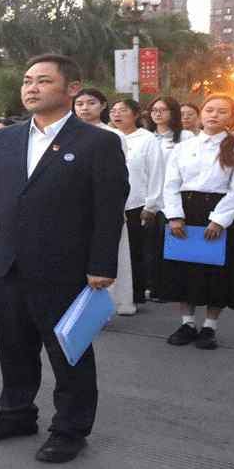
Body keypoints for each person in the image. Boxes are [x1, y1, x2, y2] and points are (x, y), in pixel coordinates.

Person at [0, 54, 129, 463]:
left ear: (72, 88)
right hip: (7, 264)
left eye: (42, 80)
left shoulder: (98, 141)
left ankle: (70, 428)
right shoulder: (4, 139)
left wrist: (102, 265)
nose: (31, 88)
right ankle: (15, 414)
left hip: (65, 268)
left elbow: (109, 209)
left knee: (69, 351)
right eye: (27, 81)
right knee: (13, 347)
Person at [161, 94, 234, 350]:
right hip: (186, 212)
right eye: (209, 110)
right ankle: (187, 323)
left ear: (231, 116)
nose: (214, 115)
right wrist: (174, 216)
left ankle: (210, 327)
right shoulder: (183, 147)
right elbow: (171, 184)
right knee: (185, 270)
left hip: (219, 213)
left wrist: (219, 221)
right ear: (201, 113)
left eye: (222, 111)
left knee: (216, 273)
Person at [72, 87, 134, 315]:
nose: (85, 108)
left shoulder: (112, 136)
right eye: (80, 104)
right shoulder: (68, 133)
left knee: (105, 257)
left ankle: (103, 308)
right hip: (75, 206)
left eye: (91, 103)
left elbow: (119, 177)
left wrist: (119, 207)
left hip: (103, 204)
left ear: (103, 105)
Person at [111, 98, 164, 308]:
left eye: (123, 110)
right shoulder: (107, 136)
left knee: (134, 252)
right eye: (114, 110)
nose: (117, 114)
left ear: (136, 115)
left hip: (136, 204)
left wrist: (151, 205)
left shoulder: (147, 139)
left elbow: (156, 172)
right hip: (112, 204)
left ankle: (133, 296)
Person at [145, 96, 195, 302]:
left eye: (163, 110)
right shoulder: (147, 137)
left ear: (173, 113)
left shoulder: (185, 136)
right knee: (151, 245)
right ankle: (152, 286)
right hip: (150, 197)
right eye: (154, 110)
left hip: (175, 197)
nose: (157, 114)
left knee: (173, 244)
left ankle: (171, 288)